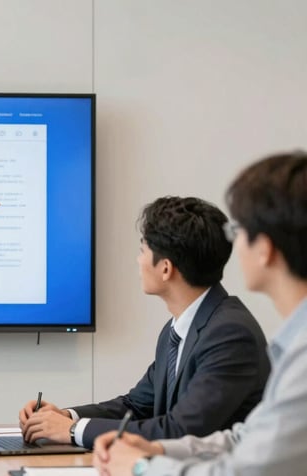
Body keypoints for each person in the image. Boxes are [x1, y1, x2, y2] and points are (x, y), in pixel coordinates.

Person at [94, 151, 307, 476]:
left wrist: (140, 467)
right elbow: (245, 437)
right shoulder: (294, 344)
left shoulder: (284, 349)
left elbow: (243, 471)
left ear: (264, 249)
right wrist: (158, 449)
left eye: (238, 231)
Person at [19, 196, 270, 449]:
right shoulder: (178, 329)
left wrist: (73, 431)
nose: (138, 261)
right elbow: (137, 406)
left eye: (143, 251)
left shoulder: (229, 334)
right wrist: (67, 417)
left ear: (165, 268)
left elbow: (181, 430)